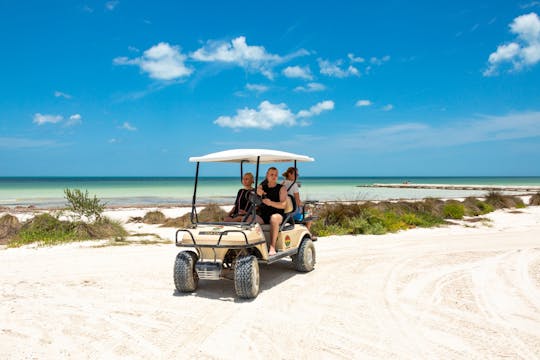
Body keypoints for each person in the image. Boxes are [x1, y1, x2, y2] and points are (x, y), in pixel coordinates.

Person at [256, 167, 287, 255]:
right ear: (267, 175)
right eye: (271, 174)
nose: (274, 177)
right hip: (264, 214)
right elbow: (258, 191)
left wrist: (270, 203)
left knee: (273, 218)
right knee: (250, 219)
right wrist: (258, 191)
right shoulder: (262, 187)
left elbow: (283, 205)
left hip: (278, 214)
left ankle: (272, 246)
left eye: (276, 175)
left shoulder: (281, 188)